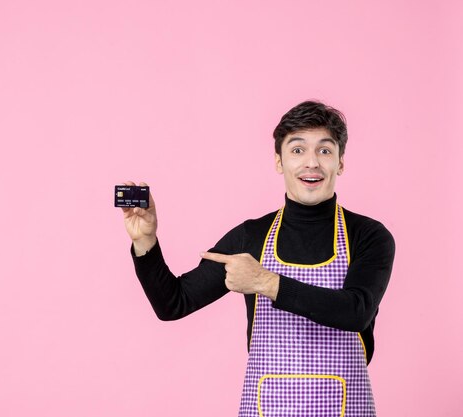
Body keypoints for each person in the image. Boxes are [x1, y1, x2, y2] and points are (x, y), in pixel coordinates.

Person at [121, 101, 395, 416]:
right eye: (297, 150)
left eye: (324, 150)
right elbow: (173, 303)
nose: (311, 163)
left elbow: (356, 311)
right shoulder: (251, 237)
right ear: (279, 162)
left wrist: (266, 282)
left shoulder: (369, 236)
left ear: (340, 163)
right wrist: (145, 241)